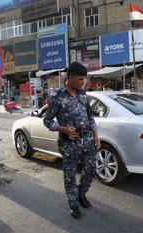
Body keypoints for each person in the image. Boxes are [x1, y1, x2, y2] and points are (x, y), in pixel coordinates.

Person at [43, 62, 101, 219]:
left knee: (91, 169)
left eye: (84, 80)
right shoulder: (56, 96)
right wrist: (63, 129)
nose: (82, 82)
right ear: (69, 78)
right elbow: (47, 120)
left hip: (87, 139)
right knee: (69, 175)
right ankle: (73, 203)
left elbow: (90, 116)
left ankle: (81, 193)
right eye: (80, 79)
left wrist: (96, 135)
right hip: (69, 143)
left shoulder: (82, 94)